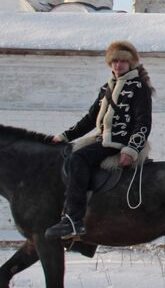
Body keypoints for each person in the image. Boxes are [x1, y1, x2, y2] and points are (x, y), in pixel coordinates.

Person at [44, 41, 153, 239]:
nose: (119, 65)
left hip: (120, 143)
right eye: (115, 61)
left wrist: (131, 149)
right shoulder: (106, 88)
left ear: (131, 64)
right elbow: (90, 120)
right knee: (66, 155)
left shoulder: (139, 87)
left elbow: (143, 121)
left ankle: (73, 220)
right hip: (102, 140)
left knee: (78, 159)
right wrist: (64, 136)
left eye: (123, 61)